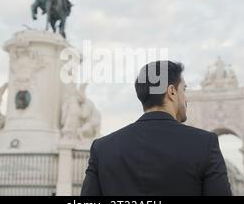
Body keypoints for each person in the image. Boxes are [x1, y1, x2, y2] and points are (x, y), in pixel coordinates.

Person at [81, 61, 232, 196]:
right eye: (184, 90)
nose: (186, 99)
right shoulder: (205, 144)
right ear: (171, 92)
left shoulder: (102, 148)